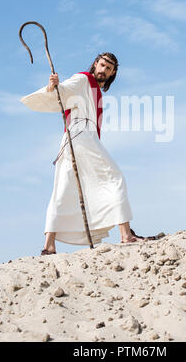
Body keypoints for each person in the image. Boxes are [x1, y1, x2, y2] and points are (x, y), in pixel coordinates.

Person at [20, 52, 147, 255]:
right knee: (113, 178)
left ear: (113, 73)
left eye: (108, 68)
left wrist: (57, 89)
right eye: (102, 65)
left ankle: (49, 246)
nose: (103, 70)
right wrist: (53, 86)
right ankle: (125, 235)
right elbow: (64, 92)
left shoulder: (95, 89)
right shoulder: (83, 79)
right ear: (95, 64)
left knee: (63, 188)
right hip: (81, 135)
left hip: (73, 138)